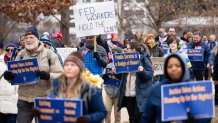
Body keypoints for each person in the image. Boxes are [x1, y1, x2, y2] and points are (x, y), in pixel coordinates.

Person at [3, 26, 63, 123]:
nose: (28, 40)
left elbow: (60, 74)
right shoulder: (21, 54)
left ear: (37, 39)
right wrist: (9, 76)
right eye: (26, 38)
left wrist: (48, 76)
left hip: (43, 99)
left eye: (31, 37)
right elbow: (13, 74)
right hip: (24, 100)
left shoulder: (49, 54)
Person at [141, 54, 211, 123]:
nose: (174, 69)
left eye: (178, 66)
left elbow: (207, 118)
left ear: (184, 67)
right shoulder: (157, 91)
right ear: (166, 69)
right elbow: (147, 118)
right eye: (170, 66)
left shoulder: (196, 89)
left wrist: (192, 117)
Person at [48, 54, 107, 123]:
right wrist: (42, 112)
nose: (68, 68)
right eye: (66, 65)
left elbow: (102, 112)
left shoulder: (90, 89)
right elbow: (51, 106)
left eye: (72, 65)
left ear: (80, 68)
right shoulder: (56, 84)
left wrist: (87, 119)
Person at [117, 42, 153, 123]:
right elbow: (121, 78)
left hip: (139, 95)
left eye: (129, 48)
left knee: (139, 118)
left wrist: (142, 71)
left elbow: (150, 75)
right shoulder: (125, 59)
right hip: (128, 94)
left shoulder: (144, 59)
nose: (126, 50)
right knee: (132, 118)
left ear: (134, 50)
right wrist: (116, 71)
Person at [102, 47, 123, 123]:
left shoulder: (123, 66)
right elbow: (104, 78)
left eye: (117, 54)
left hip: (118, 93)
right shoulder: (109, 65)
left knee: (117, 113)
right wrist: (104, 77)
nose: (115, 56)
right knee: (107, 112)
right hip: (108, 92)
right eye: (113, 54)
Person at [0, 41, 18, 123]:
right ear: (5, 50)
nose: (10, 51)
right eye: (8, 50)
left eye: (12, 50)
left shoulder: (20, 63)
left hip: (13, 105)